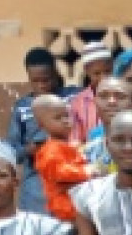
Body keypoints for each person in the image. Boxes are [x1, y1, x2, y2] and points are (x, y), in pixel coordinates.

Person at [6, 49, 79, 217]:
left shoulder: (73, 97)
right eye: (35, 81)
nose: (42, 86)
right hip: (36, 186)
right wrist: (29, 150)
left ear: (55, 72)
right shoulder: (22, 107)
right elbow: (11, 150)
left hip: (71, 176)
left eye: (46, 80)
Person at [31, 94, 93, 223]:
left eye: (67, 115)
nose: (65, 121)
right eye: (58, 118)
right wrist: (88, 171)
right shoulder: (50, 150)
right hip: (65, 209)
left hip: (78, 203)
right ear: (41, 125)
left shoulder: (66, 145)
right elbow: (60, 172)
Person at [70, 42, 115, 146]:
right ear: (87, 71)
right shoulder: (78, 102)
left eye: (107, 71)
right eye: (97, 73)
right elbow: (75, 140)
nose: (103, 78)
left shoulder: (124, 96)